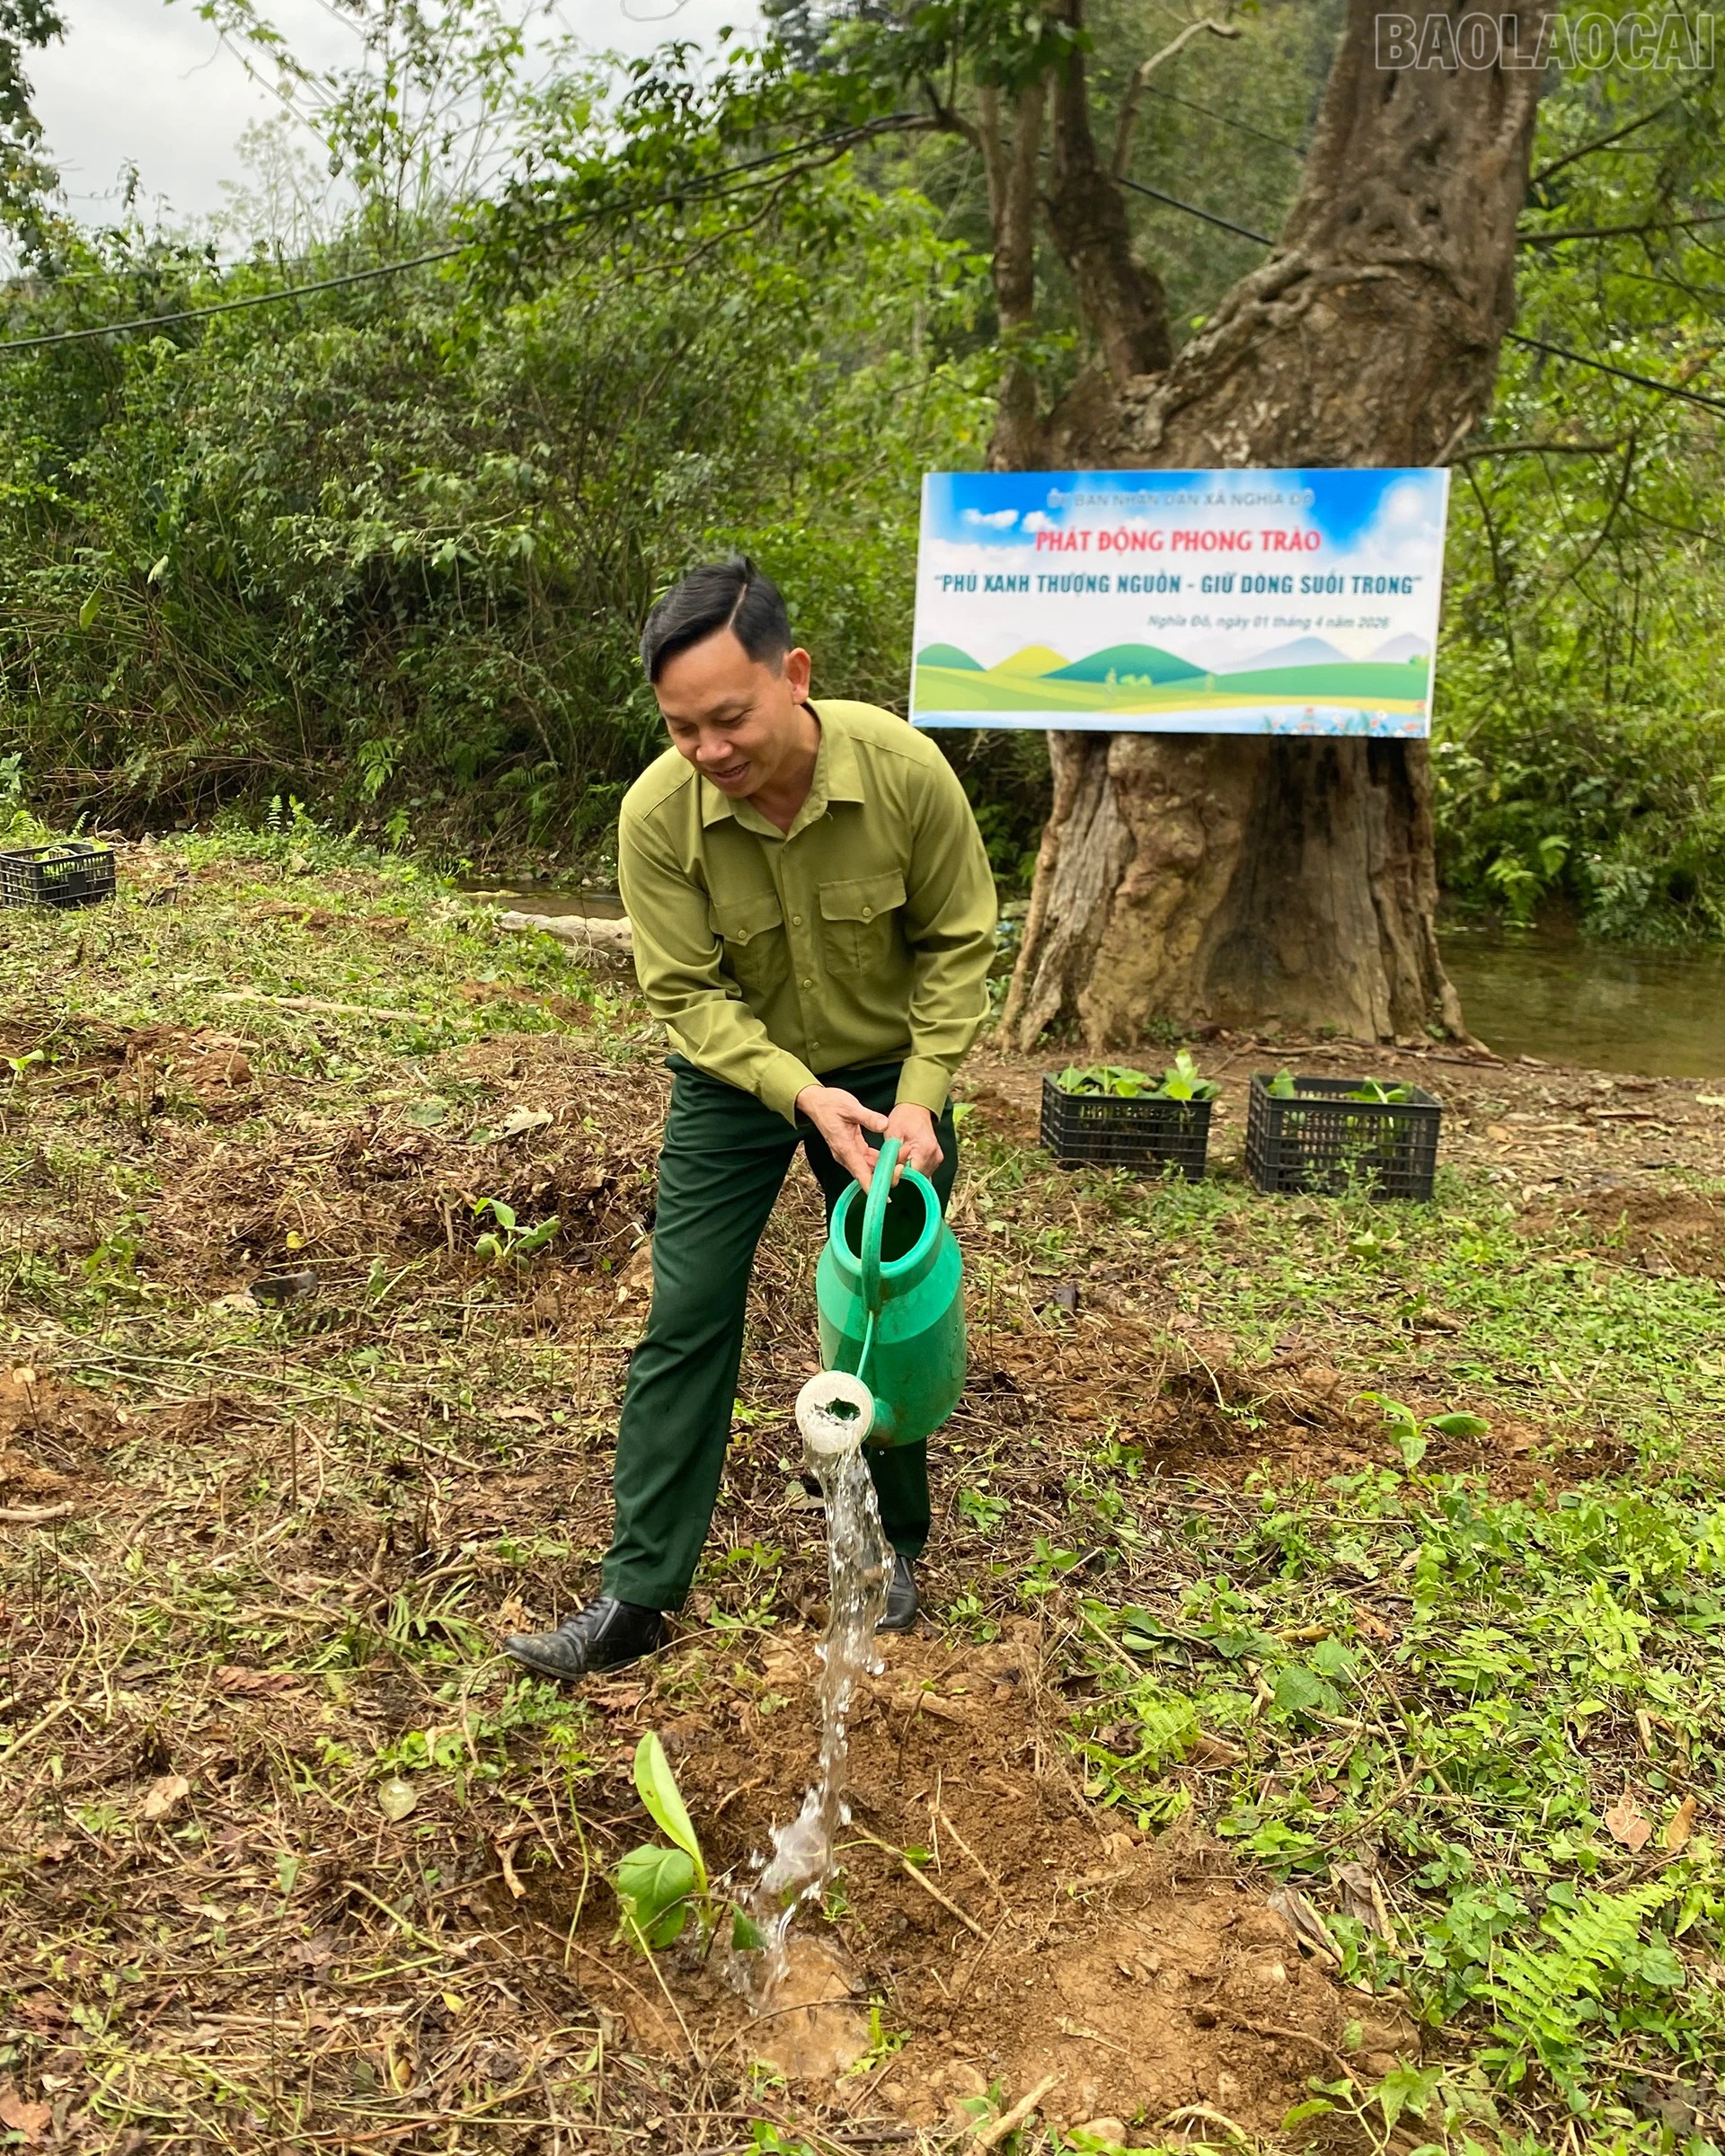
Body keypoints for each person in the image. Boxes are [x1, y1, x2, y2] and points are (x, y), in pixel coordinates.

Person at [504, 558, 997, 1683]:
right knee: (686, 1314)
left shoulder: (906, 774)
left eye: (729, 719)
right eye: (682, 729)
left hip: (887, 1078)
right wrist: (795, 1092)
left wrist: (919, 1094)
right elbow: (683, 992)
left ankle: (887, 1553)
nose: (709, 751)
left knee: (885, 1314)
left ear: (795, 676)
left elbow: (961, 941)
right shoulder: (657, 815)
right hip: (739, 1079)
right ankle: (638, 1592)